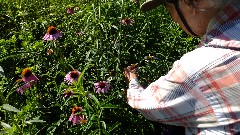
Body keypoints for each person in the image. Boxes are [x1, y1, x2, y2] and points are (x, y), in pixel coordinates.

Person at [123, 0, 240, 134]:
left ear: (190, 3)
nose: (172, 19)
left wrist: (133, 81)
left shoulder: (199, 67)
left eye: (168, 9)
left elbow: (148, 105)